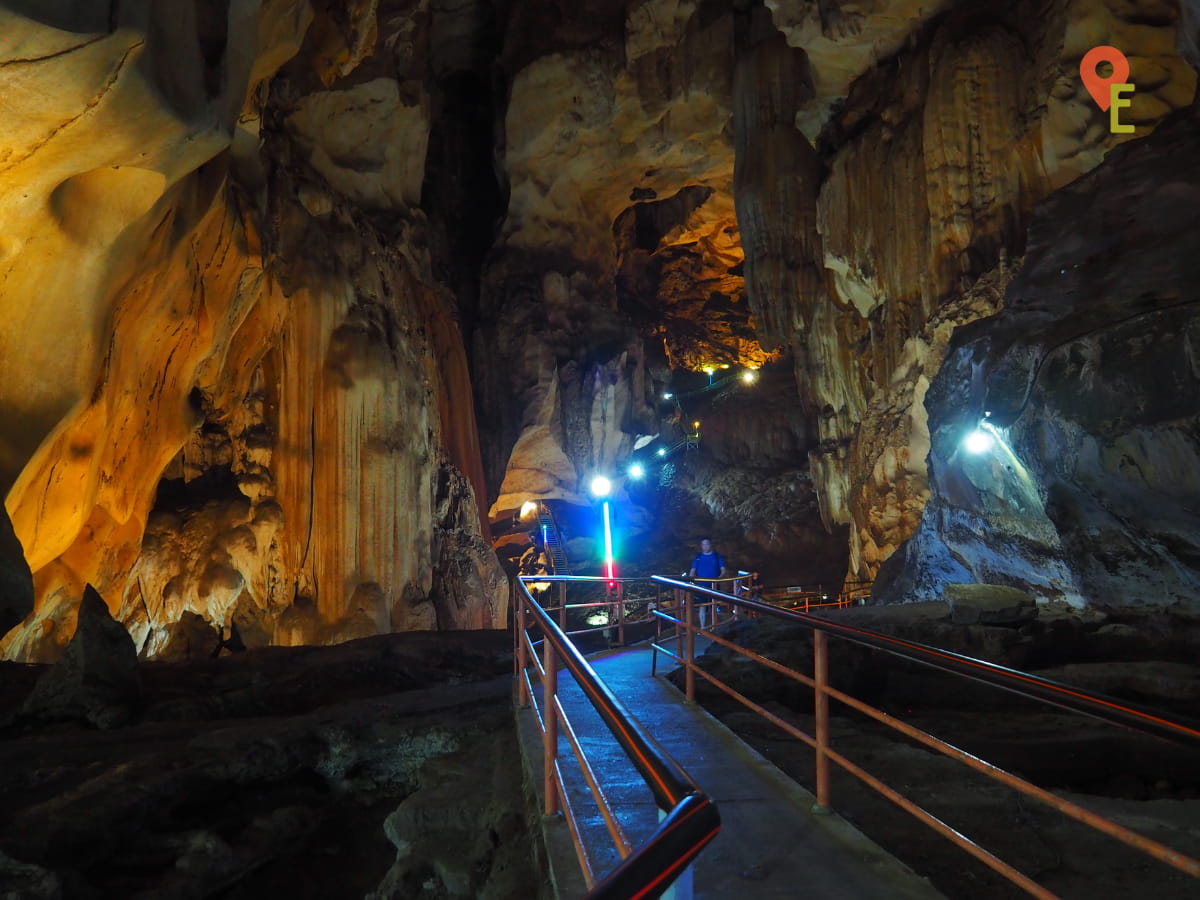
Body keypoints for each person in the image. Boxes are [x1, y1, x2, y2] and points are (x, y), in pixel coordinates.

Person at [688, 538, 726, 629]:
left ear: (710, 545)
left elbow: (723, 570)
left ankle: (714, 627)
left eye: (707, 544)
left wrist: (718, 579)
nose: (705, 546)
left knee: (714, 605)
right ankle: (702, 627)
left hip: (714, 585)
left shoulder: (717, 556)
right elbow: (692, 571)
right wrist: (690, 581)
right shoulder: (698, 557)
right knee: (702, 606)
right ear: (701, 546)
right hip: (702, 585)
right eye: (703, 545)